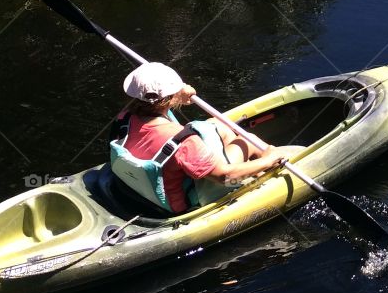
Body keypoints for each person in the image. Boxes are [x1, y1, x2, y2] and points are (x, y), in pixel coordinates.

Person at [109, 62, 290, 214]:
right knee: (246, 141)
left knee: (218, 125)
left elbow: (154, 105)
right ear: (169, 98)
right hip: (191, 196)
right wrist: (268, 159)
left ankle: (254, 169)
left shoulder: (125, 117)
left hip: (148, 184)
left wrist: (178, 94)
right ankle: (273, 166)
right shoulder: (184, 142)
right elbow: (224, 178)